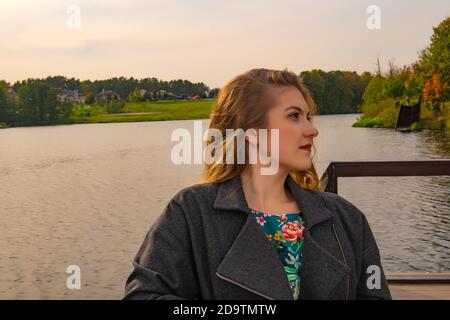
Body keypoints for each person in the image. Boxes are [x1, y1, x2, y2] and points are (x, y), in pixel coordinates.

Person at [123, 68, 391, 300]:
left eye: (308, 117)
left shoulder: (345, 218)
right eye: (294, 116)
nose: (312, 129)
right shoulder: (191, 212)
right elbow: (143, 294)